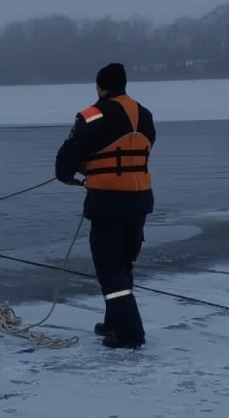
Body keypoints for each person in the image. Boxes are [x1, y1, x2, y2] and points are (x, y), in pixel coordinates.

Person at [54, 62, 156, 350]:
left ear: (100, 87)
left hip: (108, 202)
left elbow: (67, 158)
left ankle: (129, 333)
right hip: (139, 202)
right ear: (124, 85)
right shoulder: (144, 114)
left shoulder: (92, 115)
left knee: (110, 268)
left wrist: (69, 176)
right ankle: (114, 321)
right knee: (122, 264)